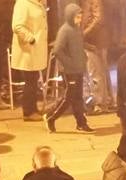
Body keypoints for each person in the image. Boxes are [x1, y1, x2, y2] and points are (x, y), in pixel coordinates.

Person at [46, 4, 92, 133]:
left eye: (80, 17)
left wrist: (87, 50)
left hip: (78, 68)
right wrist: (69, 63)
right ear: (70, 16)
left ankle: (81, 123)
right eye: (77, 17)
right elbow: (57, 50)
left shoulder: (77, 29)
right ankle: (51, 116)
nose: (79, 19)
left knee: (77, 97)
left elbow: (78, 44)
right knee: (69, 97)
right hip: (69, 70)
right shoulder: (65, 30)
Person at [11, 0, 49, 121]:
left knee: (33, 79)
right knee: (30, 80)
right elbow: (17, 25)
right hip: (28, 50)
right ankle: (28, 111)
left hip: (36, 49)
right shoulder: (23, 3)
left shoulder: (38, 3)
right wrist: (30, 39)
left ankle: (33, 108)